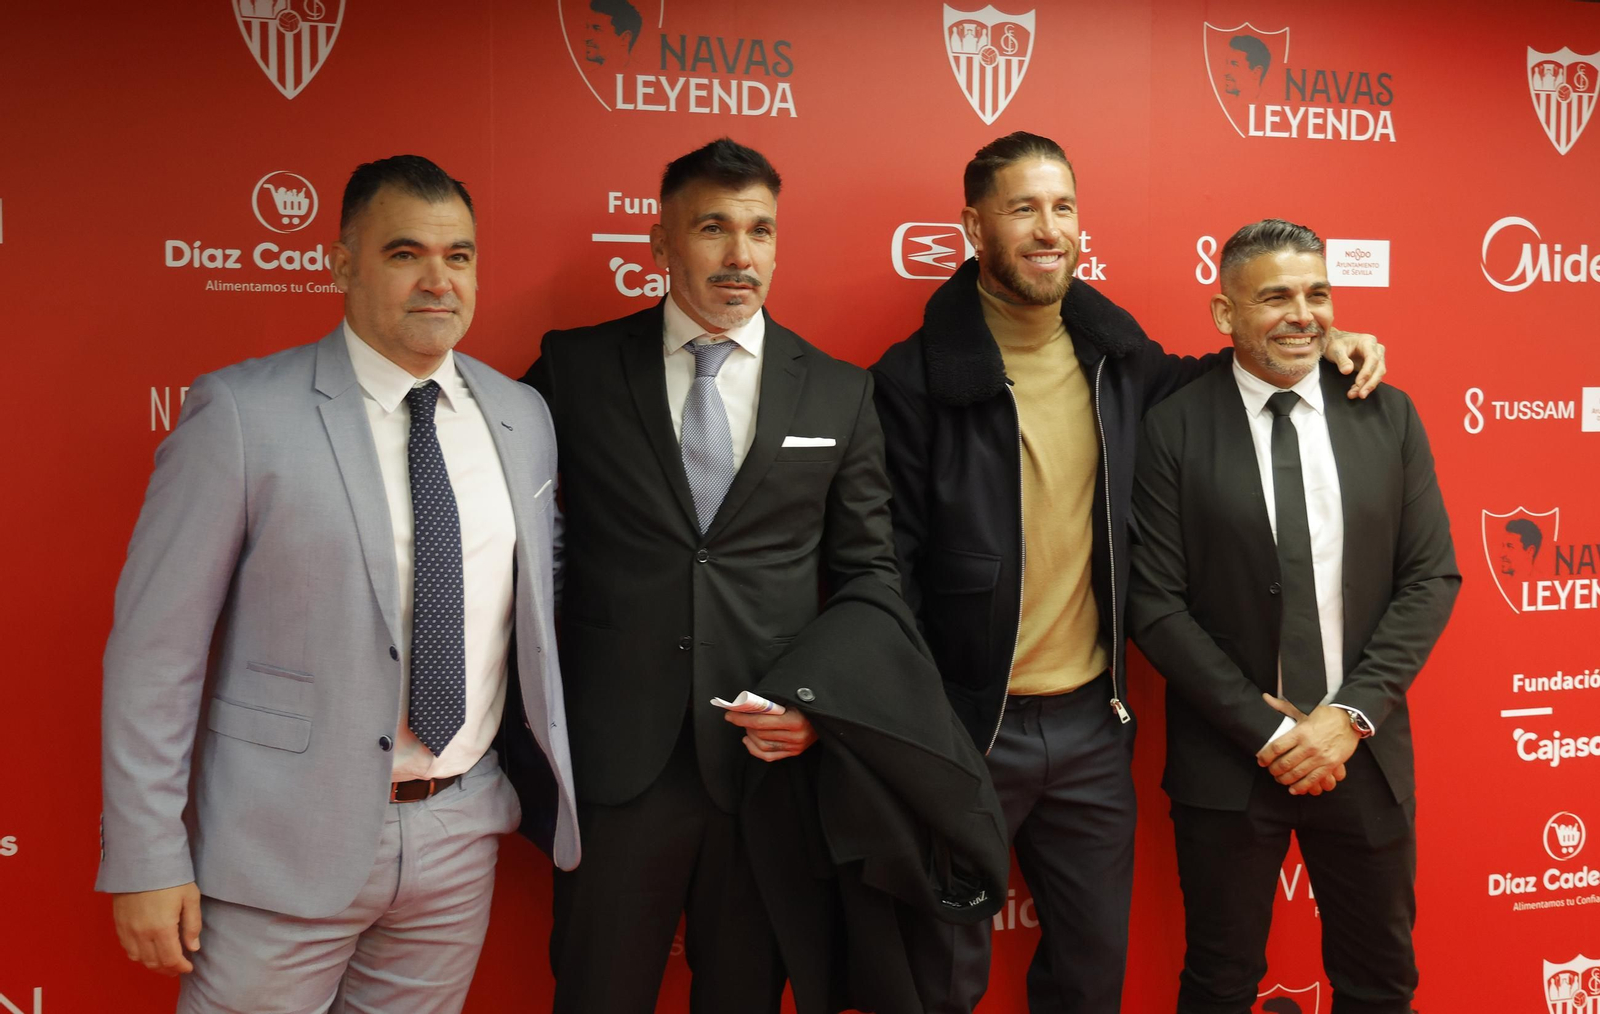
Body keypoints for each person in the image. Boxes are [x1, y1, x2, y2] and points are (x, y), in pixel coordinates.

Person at [869, 133, 1387, 1014]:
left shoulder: (1118, 360)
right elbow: (888, 574)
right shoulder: (912, 380)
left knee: (1089, 981)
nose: (1048, 229)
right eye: (1023, 208)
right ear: (973, 225)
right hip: (965, 734)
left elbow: (1231, 379)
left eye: (1063, 207)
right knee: (936, 982)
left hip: (1089, 732)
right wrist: (930, 726)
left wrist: (1320, 337)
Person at [96, 154, 578, 1012]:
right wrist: (145, 855)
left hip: (459, 832)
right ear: (342, 262)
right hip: (278, 842)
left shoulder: (521, 416)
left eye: (458, 256)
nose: (438, 280)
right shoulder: (243, 414)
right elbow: (154, 650)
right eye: (405, 254)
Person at [521, 137, 900, 1014]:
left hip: (764, 769)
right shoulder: (574, 369)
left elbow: (871, 578)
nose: (741, 255)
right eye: (714, 228)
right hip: (617, 766)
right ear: (659, 244)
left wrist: (821, 705)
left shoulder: (838, 393)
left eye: (760, 230)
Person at [1127, 219, 1459, 1014]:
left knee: (1380, 983)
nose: (1301, 314)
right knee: (1218, 982)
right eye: (1274, 296)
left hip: (1362, 751)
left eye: (1317, 294)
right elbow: (1155, 603)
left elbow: (1431, 577)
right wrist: (1272, 732)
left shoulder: (1386, 413)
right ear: (1223, 313)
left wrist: (1347, 715)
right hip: (1229, 756)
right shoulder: (1174, 425)